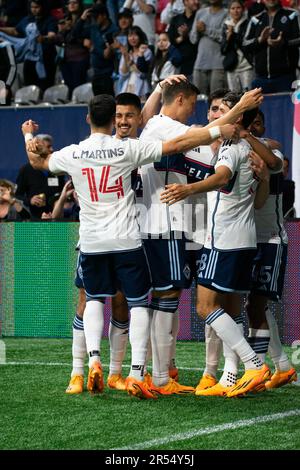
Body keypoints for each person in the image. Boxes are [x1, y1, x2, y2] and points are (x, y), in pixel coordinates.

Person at [23, 91, 242, 399]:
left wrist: (29, 135)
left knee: (94, 300)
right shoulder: (127, 149)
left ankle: (92, 365)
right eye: (120, 115)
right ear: (113, 117)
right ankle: (138, 372)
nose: (124, 120)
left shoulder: (73, 153)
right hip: (129, 237)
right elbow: (179, 144)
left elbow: (38, 161)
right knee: (138, 302)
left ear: (88, 118)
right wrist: (221, 127)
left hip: (92, 241)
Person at [138, 83, 263, 396]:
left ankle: (226, 373)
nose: (198, 111)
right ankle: (160, 374)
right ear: (180, 99)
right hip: (172, 228)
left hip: (208, 233)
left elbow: (221, 165)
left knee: (211, 305)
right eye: (196, 104)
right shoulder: (168, 128)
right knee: (176, 300)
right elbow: (187, 135)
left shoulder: (226, 146)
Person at [245, 113, 297, 390]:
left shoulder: (271, 151)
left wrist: (247, 136)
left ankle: (257, 369)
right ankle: (283, 366)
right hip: (247, 239)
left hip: (271, 240)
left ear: (264, 127)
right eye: (249, 123)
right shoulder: (241, 151)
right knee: (255, 306)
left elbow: (272, 158)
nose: (254, 128)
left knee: (256, 306)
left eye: (259, 124)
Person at [243, 0, 300, 93]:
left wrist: (283, 43)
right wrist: (260, 39)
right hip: (260, 78)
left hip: (286, 77)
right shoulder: (256, 19)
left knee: (287, 107)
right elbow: (245, 44)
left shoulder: (293, 15)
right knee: (260, 108)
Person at [15, 133, 65, 220]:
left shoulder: (56, 168)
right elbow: (17, 195)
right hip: (33, 219)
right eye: (48, 147)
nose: (52, 149)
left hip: (55, 219)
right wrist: (30, 200)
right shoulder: (26, 170)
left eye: (51, 146)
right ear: (37, 147)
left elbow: (62, 191)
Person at [190, 0, 227, 96]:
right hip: (200, 63)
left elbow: (224, 37)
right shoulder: (200, 12)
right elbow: (193, 39)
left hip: (218, 64)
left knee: (217, 99)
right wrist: (198, 31)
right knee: (198, 100)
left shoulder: (226, 13)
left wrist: (206, 30)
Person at [220, 0, 254, 92]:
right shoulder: (226, 25)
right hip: (232, 66)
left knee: (248, 94)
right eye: (233, 8)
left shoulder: (248, 23)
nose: (236, 11)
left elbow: (246, 43)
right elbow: (223, 50)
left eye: (238, 8)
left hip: (246, 65)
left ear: (243, 9)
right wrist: (228, 37)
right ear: (229, 11)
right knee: (233, 96)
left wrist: (233, 34)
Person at [167, 0, 199, 80]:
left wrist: (187, 34)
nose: (196, 2)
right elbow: (171, 41)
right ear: (185, 2)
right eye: (193, 0)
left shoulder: (200, 18)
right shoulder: (176, 19)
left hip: (196, 61)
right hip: (179, 63)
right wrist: (182, 37)